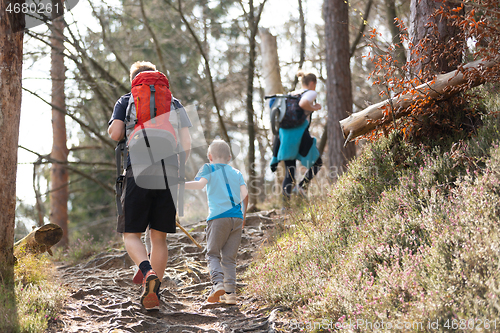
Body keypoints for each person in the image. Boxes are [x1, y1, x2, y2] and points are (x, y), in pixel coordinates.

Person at [108, 61, 192, 311]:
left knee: (131, 234)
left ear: (133, 80)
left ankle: (147, 273)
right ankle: (154, 292)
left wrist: (115, 124)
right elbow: (186, 142)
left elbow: (116, 134)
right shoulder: (174, 102)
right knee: (159, 237)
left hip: (139, 168)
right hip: (169, 170)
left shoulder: (127, 100)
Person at [184, 140, 248, 305]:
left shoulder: (208, 168)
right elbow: (245, 195)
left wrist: (179, 185)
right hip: (237, 218)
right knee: (229, 258)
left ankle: (217, 283)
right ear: (229, 157)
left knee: (212, 253)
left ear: (210, 157)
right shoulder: (237, 172)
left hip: (218, 218)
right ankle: (231, 294)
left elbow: (199, 185)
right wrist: (243, 216)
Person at [270, 71, 323, 201]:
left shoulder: (292, 94)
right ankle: (302, 186)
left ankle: (285, 206)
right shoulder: (310, 92)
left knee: (290, 172)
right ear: (312, 83)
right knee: (317, 163)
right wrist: (315, 107)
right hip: (300, 135)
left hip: (285, 136)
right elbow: (303, 104)